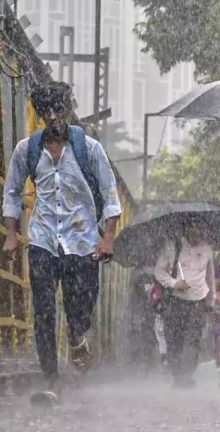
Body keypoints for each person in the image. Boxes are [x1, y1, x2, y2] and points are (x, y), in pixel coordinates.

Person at [2, 81, 122, 401]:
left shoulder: (90, 149)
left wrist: (107, 238)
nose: (53, 117)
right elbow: (12, 192)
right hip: (43, 239)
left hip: (82, 241)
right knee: (43, 309)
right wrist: (13, 234)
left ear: (69, 109)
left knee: (78, 308)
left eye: (59, 109)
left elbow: (111, 196)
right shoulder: (27, 150)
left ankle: (77, 333)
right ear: (40, 115)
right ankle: (51, 382)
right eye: (46, 112)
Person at [154, 218, 215, 388]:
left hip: (198, 302)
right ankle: (177, 376)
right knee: (174, 340)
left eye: (199, 231)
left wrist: (212, 299)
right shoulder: (172, 247)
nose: (196, 235)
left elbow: (210, 277)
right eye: (192, 231)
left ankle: (187, 374)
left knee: (194, 340)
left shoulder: (207, 249)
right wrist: (175, 283)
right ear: (185, 230)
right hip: (176, 301)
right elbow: (158, 272)